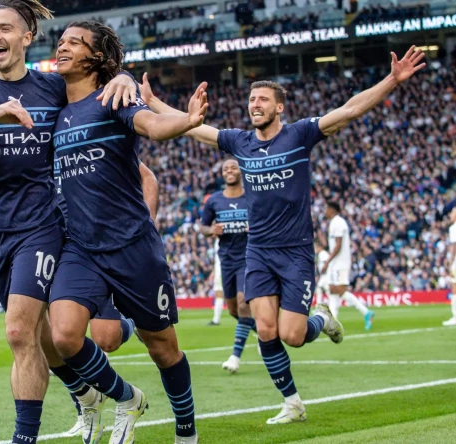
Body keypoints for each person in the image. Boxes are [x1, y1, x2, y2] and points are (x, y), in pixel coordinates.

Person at [139, 45, 426, 424]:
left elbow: (351, 109)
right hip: (257, 252)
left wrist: (392, 78)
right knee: (266, 329)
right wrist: (154, 102)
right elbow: (195, 127)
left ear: (280, 107)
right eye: (252, 99)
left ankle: (321, 319)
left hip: (295, 252)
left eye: (263, 100)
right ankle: (292, 402)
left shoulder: (300, 134)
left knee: (293, 334)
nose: (254, 104)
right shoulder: (239, 141)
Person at [0, 1, 137, 442]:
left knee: (17, 329)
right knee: (42, 337)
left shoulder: (52, 87)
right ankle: (96, 395)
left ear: (27, 37)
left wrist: (124, 77)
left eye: (5, 28)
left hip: (43, 222)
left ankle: (25, 437)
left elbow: (101, 86)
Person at [47, 20, 207, 444]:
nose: (62, 47)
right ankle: (127, 398)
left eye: (74, 43)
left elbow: (152, 127)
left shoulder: (114, 98)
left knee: (164, 349)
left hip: (132, 246)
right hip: (81, 248)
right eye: (60, 41)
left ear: (97, 57)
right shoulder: (54, 110)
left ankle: (187, 432)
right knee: (62, 335)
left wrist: (186, 121)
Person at [61, 161, 159, 437]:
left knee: (106, 339)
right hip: (52, 245)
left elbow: (147, 177)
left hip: (93, 247)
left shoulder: (83, 133)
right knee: (49, 336)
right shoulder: (37, 140)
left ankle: (130, 323)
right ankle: (86, 408)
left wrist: (148, 223)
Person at [200, 159, 254, 374]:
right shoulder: (214, 200)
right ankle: (266, 334)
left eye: (233, 167)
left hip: (249, 258)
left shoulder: (251, 197)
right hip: (226, 260)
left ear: (241, 171)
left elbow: (267, 219)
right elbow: (203, 227)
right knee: (233, 310)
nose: (229, 171)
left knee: (243, 303)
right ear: (222, 174)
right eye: (225, 169)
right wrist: (212, 230)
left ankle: (235, 357)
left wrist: (256, 227)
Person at [322, 201, 375, 330]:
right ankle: (333, 322)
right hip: (336, 262)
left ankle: (366, 312)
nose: (325, 211)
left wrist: (328, 261)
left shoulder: (338, 223)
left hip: (340, 262)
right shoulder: (335, 222)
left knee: (340, 290)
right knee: (332, 289)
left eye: (326, 209)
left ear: (332, 210)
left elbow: (338, 245)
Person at [208, 239, 224, 326]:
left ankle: (216, 319)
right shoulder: (217, 240)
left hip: (222, 270)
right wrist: (214, 272)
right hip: (219, 269)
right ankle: (216, 319)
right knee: (218, 293)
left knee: (219, 293)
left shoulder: (221, 239)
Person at [444, 208, 456, 326]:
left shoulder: (454, 228)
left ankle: (455, 316)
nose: (450, 215)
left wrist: (451, 262)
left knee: (455, 290)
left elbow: (454, 247)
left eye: (452, 213)